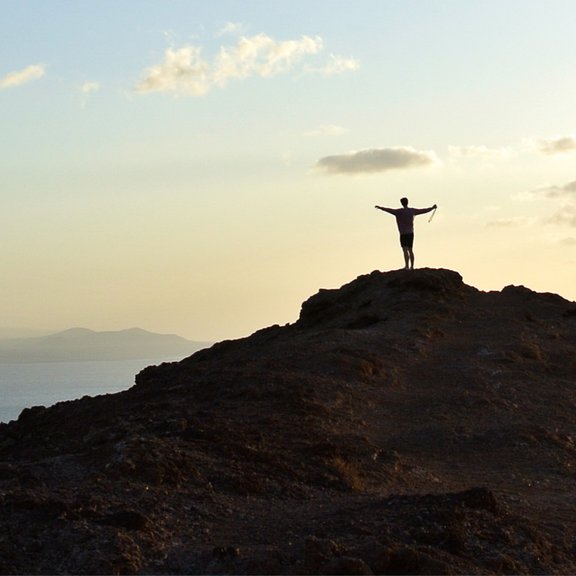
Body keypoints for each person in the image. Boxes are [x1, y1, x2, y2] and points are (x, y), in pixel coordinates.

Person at [375, 197, 437, 270]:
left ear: (401, 203)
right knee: (410, 250)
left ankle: (407, 266)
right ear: (407, 202)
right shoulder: (412, 211)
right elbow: (423, 210)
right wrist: (432, 208)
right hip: (410, 233)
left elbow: (388, 210)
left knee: (405, 250)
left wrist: (380, 207)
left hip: (403, 234)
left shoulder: (398, 212)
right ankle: (412, 266)